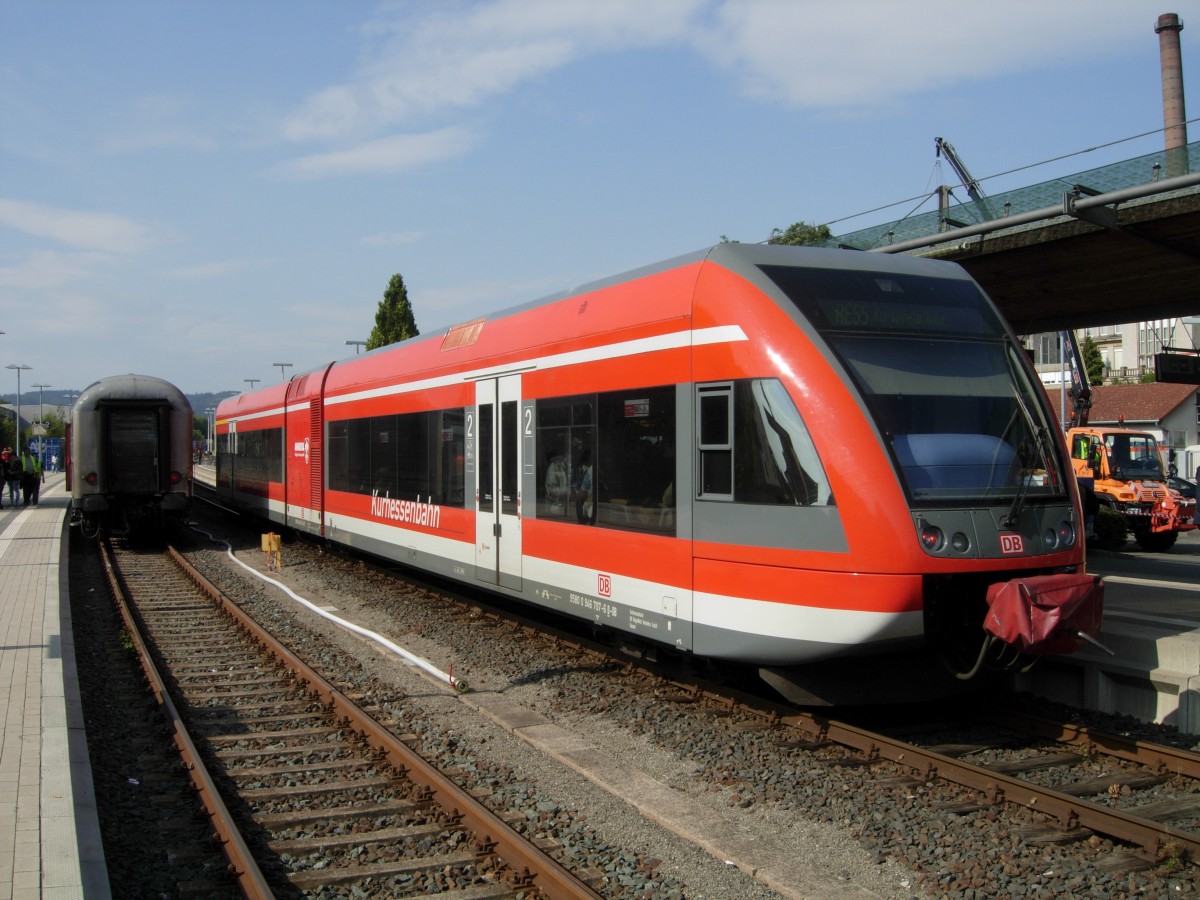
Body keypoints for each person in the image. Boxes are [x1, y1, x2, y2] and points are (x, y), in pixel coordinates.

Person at [544, 447, 570, 515]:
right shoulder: (553, 467)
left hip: (566, 502)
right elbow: (551, 489)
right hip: (557, 503)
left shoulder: (567, 466)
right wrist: (568, 491)